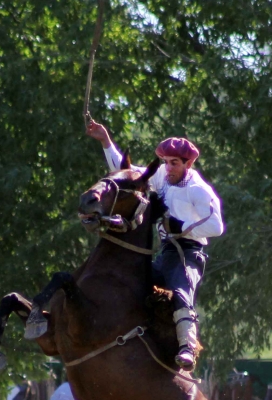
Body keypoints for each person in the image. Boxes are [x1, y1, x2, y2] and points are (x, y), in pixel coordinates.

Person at [85, 120, 224, 371]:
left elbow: (217, 227)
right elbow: (126, 173)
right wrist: (105, 141)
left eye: (175, 163)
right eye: (166, 161)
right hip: (165, 252)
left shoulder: (199, 190)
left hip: (188, 255)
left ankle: (187, 348)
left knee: (181, 293)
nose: (168, 168)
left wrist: (181, 227)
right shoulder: (161, 175)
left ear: (188, 163)